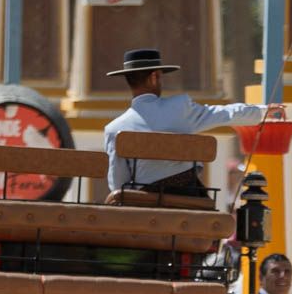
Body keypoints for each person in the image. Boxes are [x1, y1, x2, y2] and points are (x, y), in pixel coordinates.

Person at [102, 48, 270, 195]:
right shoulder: (180, 108)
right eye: (160, 77)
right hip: (187, 198)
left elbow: (117, 183)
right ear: (154, 77)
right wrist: (263, 111)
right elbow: (224, 114)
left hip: (141, 205)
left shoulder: (114, 129)